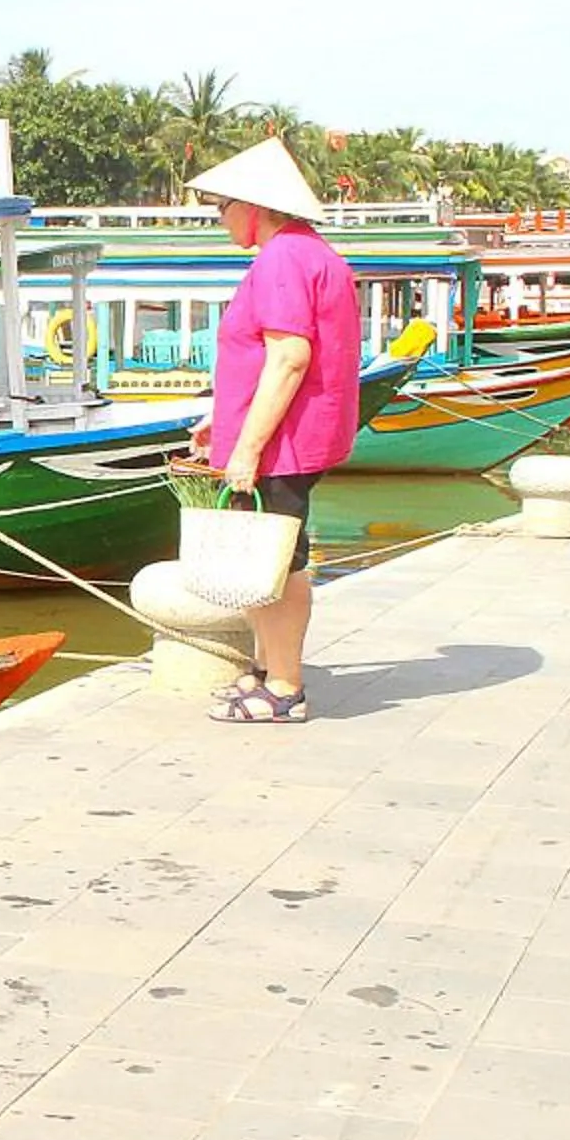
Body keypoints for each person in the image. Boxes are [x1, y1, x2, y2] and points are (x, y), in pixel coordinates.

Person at [185, 137, 363, 724]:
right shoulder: (308, 253)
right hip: (291, 434)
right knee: (272, 556)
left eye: (222, 207)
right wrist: (225, 418)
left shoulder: (283, 258)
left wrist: (248, 447)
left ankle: (284, 686)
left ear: (253, 207)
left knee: (278, 561)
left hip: (283, 442)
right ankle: (268, 670)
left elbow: (289, 358)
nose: (219, 219)